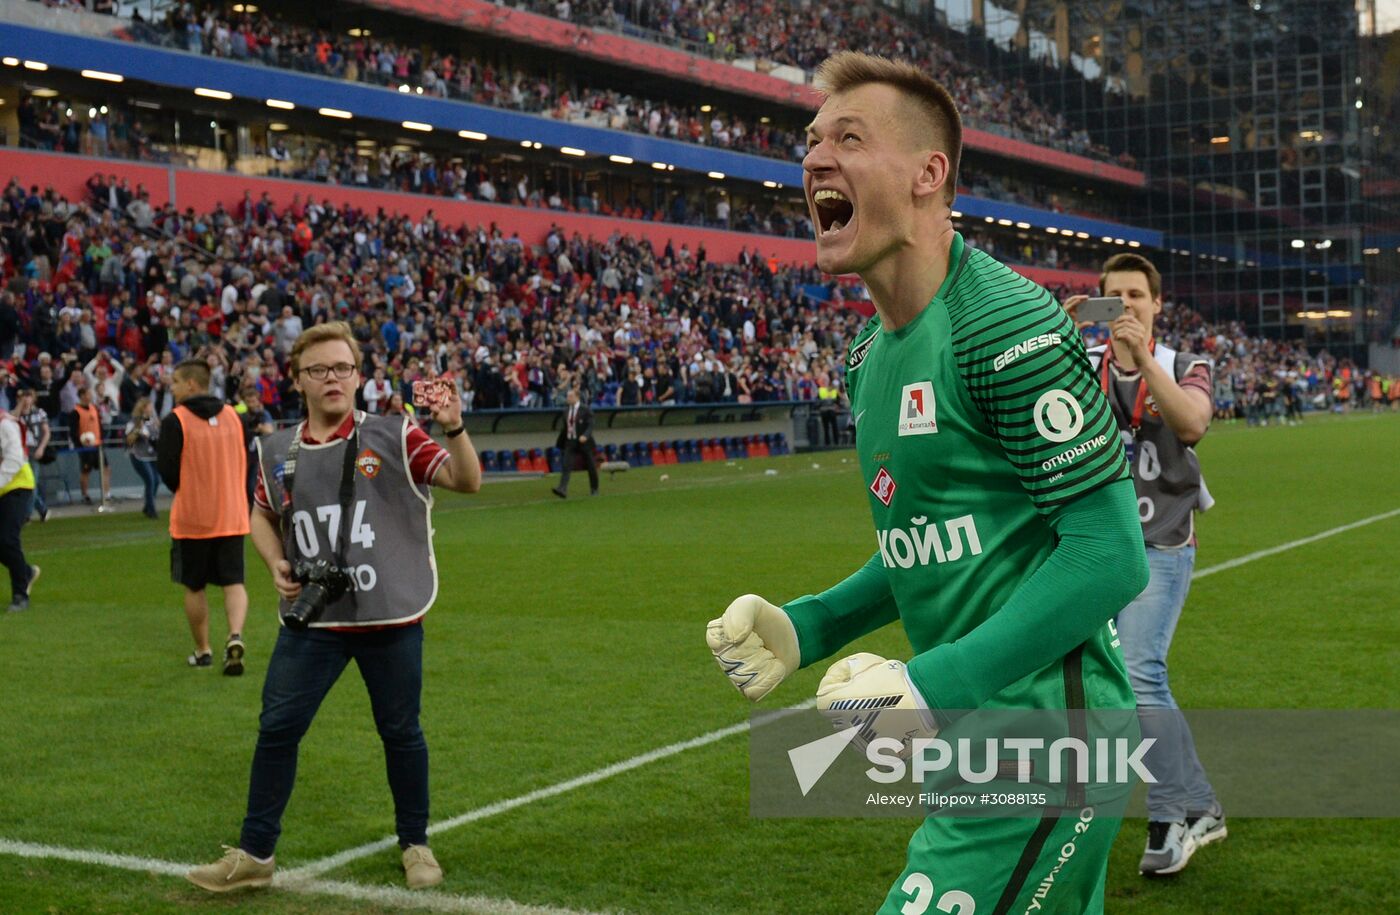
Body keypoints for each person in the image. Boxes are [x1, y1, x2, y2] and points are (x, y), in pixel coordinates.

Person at [705, 52, 1148, 913]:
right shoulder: (866, 360)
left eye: (848, 138)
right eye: (810, 142)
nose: (813, 159)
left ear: (927, 174)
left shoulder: (1006, 325)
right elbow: (932, 547)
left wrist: (931, 685)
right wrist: (811, 622)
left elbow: (1109, 553)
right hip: (974, 738)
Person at [186, 321, 481, 894]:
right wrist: (273, 560)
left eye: (342, 368)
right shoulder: (276, 448)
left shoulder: (396, 436)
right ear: (298, 380)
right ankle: (255, 855)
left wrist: (456, 428)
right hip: (315, 618)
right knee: (277, 728)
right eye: (318, 370)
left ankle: (415, 843)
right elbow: (262, 514)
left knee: (400, 732)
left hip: (390, 614)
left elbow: (466, 481)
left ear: (358, 375)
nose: (332, 379)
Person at [1065, 253, 1225, 876]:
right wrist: (1055, 329)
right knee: (1108, 681)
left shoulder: (1185, 365)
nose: (1127, 305)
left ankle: (1170, 820)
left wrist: (1145, 364)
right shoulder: (1081, 366)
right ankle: (1202, 804)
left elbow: (1192, 424)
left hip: (1161, 543)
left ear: (1157, 305)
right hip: (1096, 548)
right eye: (1115, 296)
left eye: (1137, 295)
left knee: (1139, 674)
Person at [156, 359, 251, 673]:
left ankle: (203, 650)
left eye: (175, 383)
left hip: (193, 518)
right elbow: (246, 463)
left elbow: (169, 473)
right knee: (233, 582)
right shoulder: (235, 418)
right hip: (232, 514)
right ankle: (235, 634)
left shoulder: (176, 420)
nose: (172, 388)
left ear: (191, 385)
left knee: (194, 586)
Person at [0, 406, 39, 613]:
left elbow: (15, 459)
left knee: (7, 539)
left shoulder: (5, 425)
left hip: (18, 485)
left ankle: (20, 595)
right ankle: (26, 572)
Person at [551, 387, 598, 498]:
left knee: (591, 466)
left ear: (577, 397)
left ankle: (594, 488)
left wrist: (585, 436)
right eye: (567, 396)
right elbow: (566, 427)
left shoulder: (585, 410)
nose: (568, 398)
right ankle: (562, 488)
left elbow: (591, 424)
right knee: (566, 465)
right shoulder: (566, 411)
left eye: (570, 396)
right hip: (570, 441)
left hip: (584, 443)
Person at [69, 384, 109, 505]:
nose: (90, 396)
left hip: (98, 445)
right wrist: (80, 444)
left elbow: (99, 425)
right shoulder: (76, 412)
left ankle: (106, 494)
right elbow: (73, 431)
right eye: (88, 394)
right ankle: (85, 495)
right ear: (82, 396)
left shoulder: (94, 408)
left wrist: (101, 438)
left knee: (106, 468)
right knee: (86, 470)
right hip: (85, 448)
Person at [16, 389, 51, 523]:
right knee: (25, 483)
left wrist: (41, 448)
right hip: (20, 452)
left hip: (33, 449)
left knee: (32, 483)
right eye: (23, 397)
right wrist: (20, 406)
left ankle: (27, 514)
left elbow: (46, 432)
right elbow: (12, 418)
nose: (26, 400)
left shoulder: (39, 413)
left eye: (28, 397)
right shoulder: (16, 414)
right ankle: (42, 510)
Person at [124, 397, 162, 518]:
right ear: (143, 408)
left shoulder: (154, 421)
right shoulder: (134, 422)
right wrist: (137, 430)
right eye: (149, 406)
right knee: (150, 480)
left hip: (152, 455)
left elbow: (157, 436)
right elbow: (129, 440)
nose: (152, 409)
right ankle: (151, 509)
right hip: (139, 455)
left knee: (156, 480)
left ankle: (147, 506)